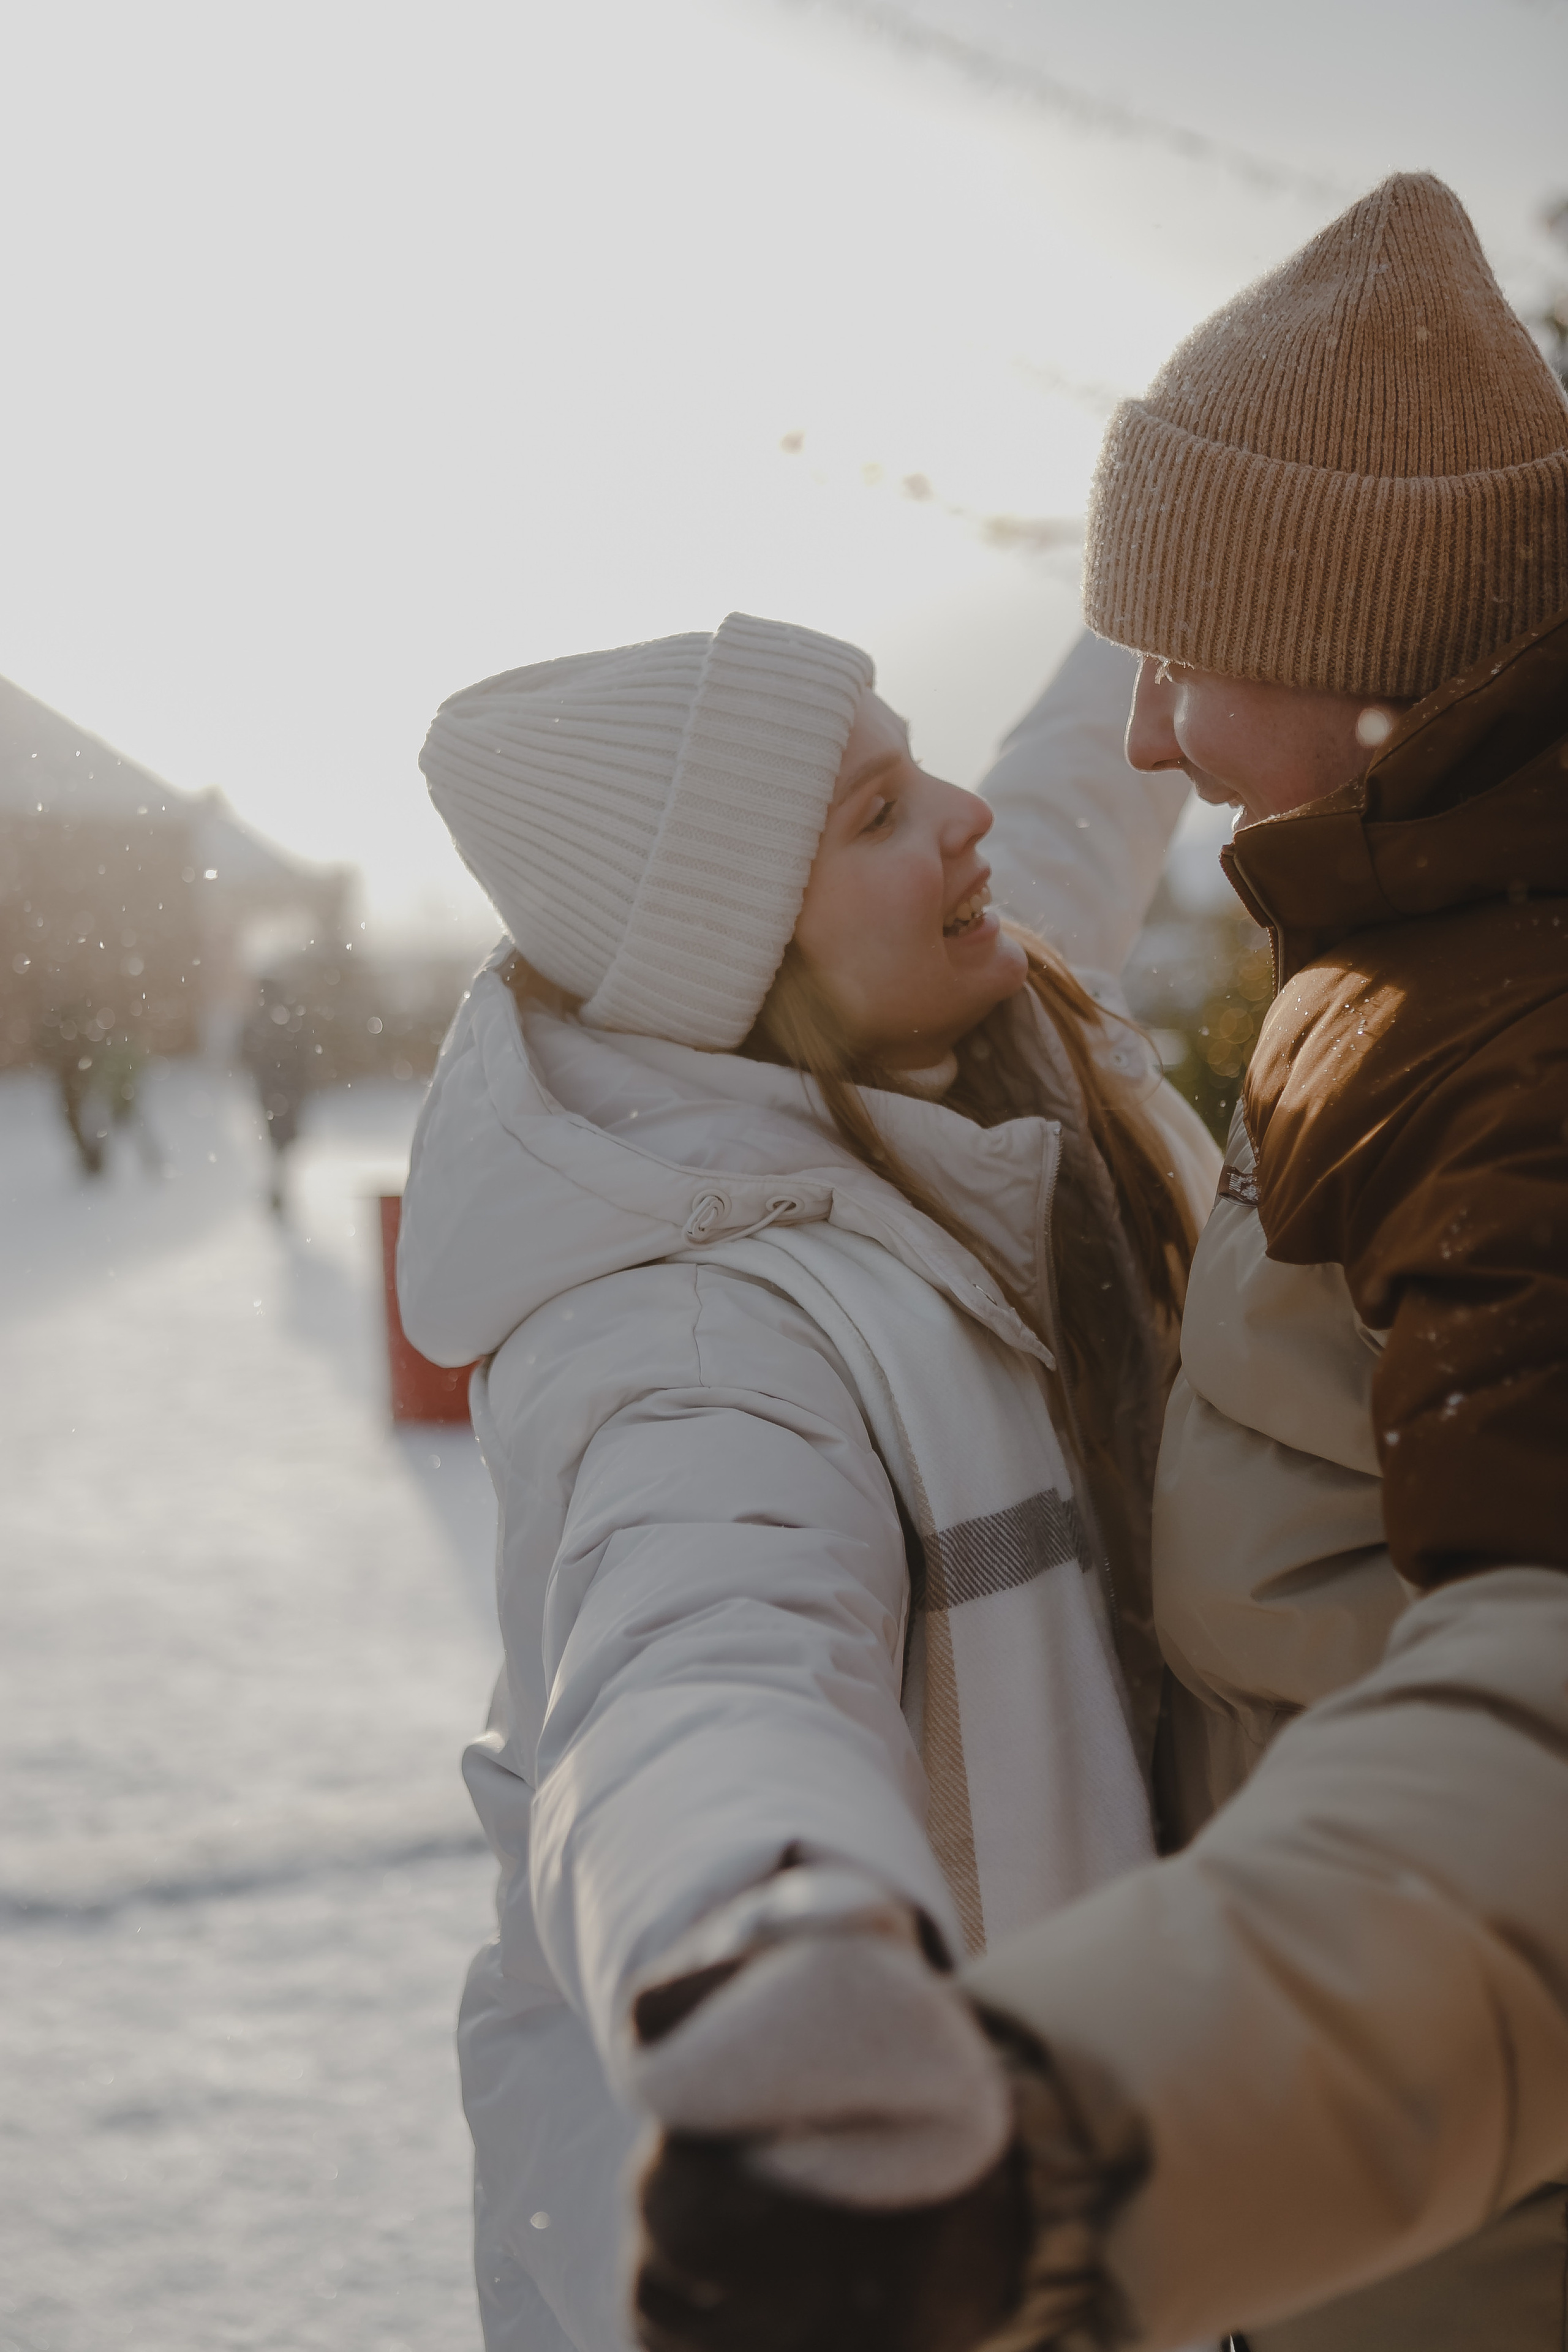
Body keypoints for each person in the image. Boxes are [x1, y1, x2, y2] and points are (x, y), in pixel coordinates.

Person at [625, 176, 1568, 2352]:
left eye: (1177, 651)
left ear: (1353, 643)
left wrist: (1064, 2127)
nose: (1139, 731)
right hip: (1370, 2203)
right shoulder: (1409, 922)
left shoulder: (1510, 1050)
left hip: (1462, 2227)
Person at [396, 612, 1218, 2352]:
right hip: (831, 2235)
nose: (961, 818)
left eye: (921, 769)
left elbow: (1067, 801)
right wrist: (767, 1935)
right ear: (746, 957)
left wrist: (1167, 596)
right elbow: (697, 1663)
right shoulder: (699, 1332)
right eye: (877, 813)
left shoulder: (951, 1063)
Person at [240, 975, 311, 1213]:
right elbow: (304, 1057)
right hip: (285, 1093)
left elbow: (245, 1051)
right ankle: (279, 1184)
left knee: (277, 1142)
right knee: (282, 1142)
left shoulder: (261, 1020)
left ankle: (279, 1184)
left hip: (274, 1093)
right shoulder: (287, 1019)